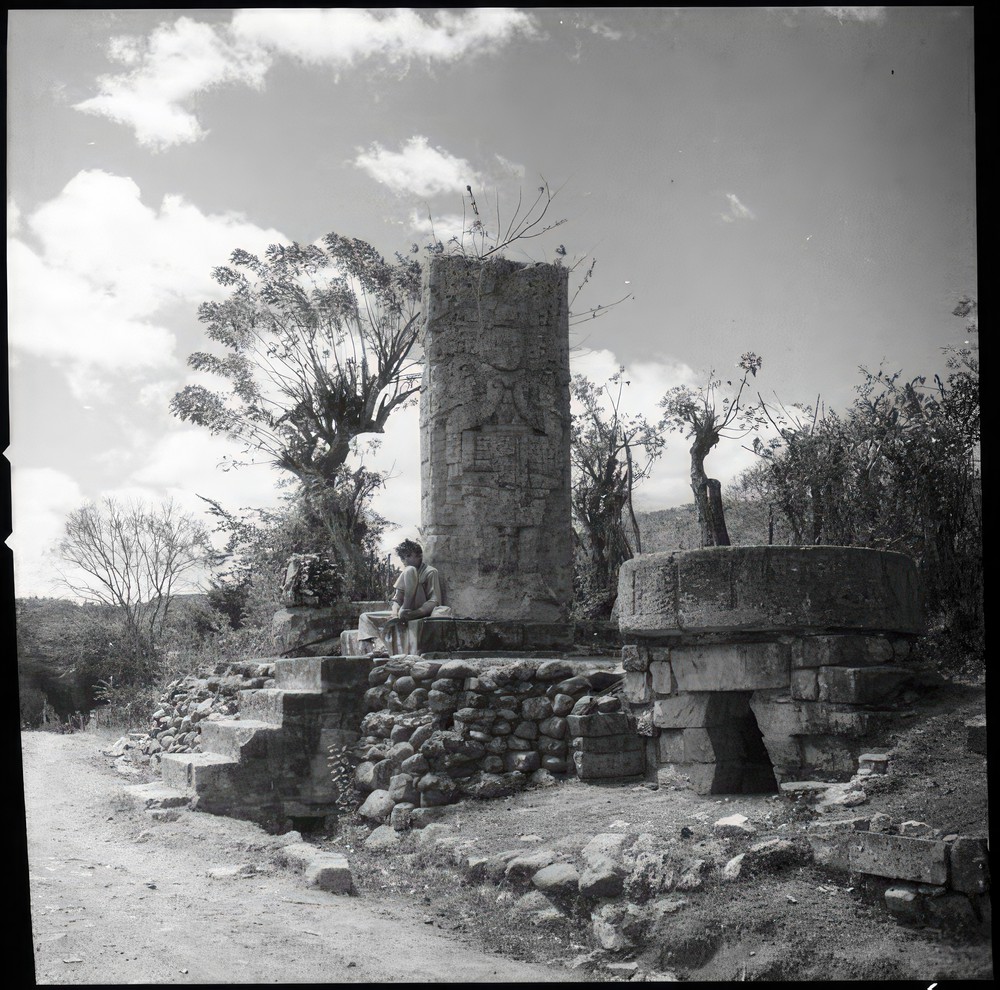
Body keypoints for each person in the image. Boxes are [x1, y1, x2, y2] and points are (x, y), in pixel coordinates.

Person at [357, 539, 452, 656]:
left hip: (417, 612)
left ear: (419, 556)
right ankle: (380, 647)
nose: (404, 560)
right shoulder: (405, 573)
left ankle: (404, 611)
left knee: (410, 570)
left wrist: (414, 614)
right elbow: (397, 599)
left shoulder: (430, 572)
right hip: (402, 613)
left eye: (407, 556)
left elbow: (434, 601)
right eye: (402, 557)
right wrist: (394, 613)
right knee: (364, 617)